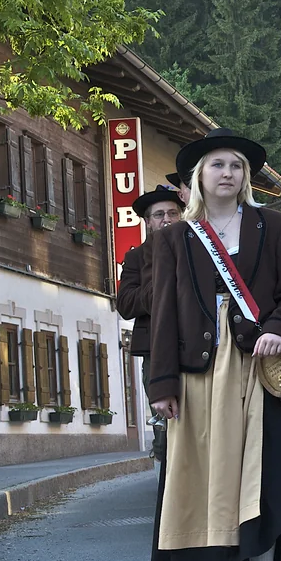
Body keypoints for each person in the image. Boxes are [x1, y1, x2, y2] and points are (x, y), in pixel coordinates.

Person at [148, 129, 281, 561]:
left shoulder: (277, 226)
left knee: (260, 476)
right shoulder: (176, 237)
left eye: (236, 166)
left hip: (258, 366)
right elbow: (164, 313)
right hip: (199, 372)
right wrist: (163, 385)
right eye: (217, 165)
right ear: (199, 176)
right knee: (212, 477)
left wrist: (279, 331)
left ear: (247, 177)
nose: (227, 173)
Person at [118, 178, 186, 461]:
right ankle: (166, 490)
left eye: (172, 214)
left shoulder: (193, 248)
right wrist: (158, 289)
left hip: (194, 343)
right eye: (159, 215)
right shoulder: (136, 258)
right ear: (147, 222)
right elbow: (125, 304)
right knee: (166, 426)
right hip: (156, 349)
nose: (167, 220)